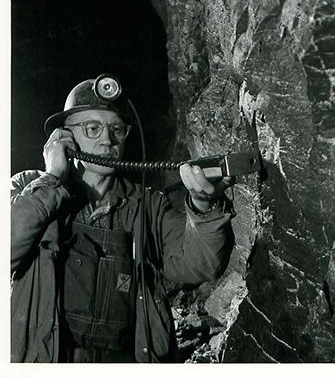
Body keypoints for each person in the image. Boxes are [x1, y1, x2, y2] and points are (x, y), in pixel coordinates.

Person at [11, 75, 235, 363]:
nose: (107, 140)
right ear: (65, 136)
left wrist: (204, 205)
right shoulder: (27, 189)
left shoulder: (147, 205)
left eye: (117, 128)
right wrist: (53, 177)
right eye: (92, 128)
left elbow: (200, 265)